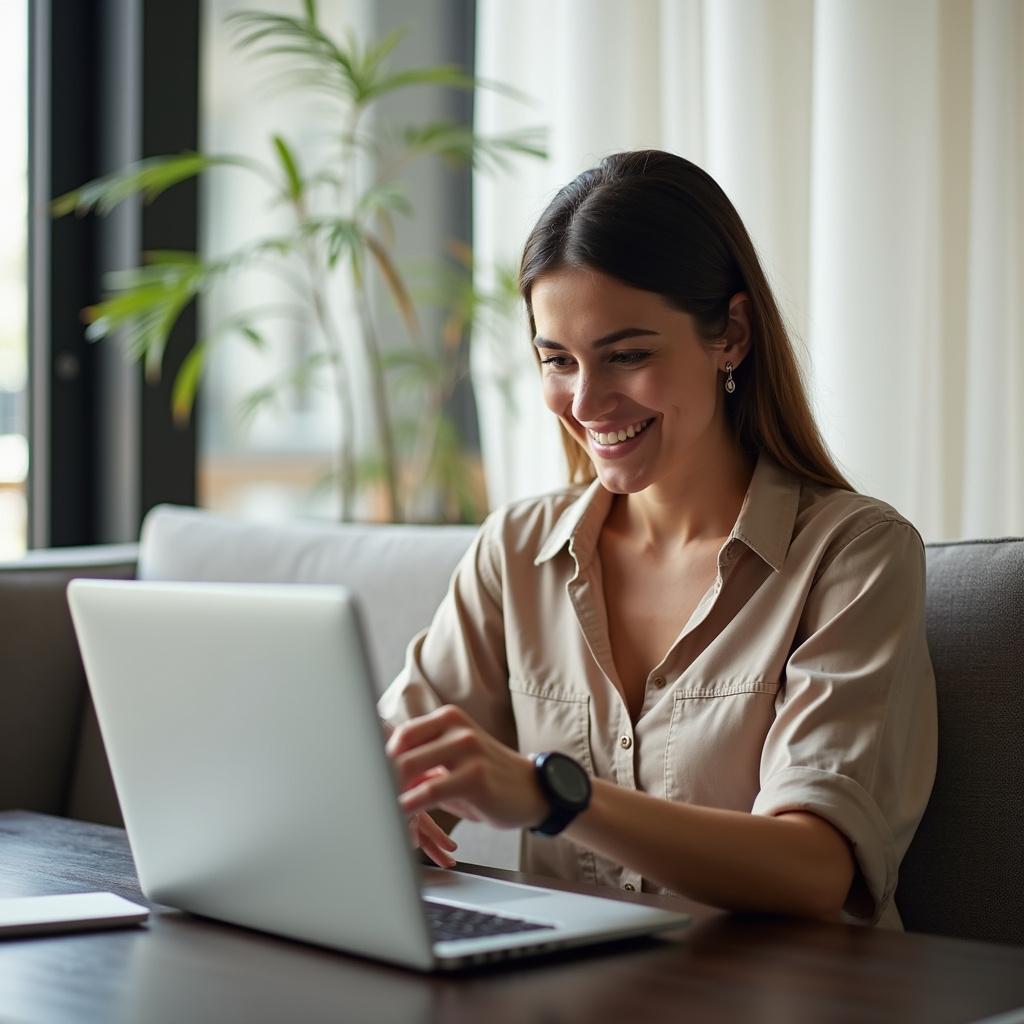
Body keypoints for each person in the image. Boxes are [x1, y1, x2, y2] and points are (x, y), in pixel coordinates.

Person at [379, 150, 936, 928]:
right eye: (557, 361)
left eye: (628, 355)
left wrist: (550, 795)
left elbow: (815, 867)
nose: (586, 400)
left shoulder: (854, 555)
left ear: (731, 334)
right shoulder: (516, 551)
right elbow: (396, 778)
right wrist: (377, 808)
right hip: (576, 990)